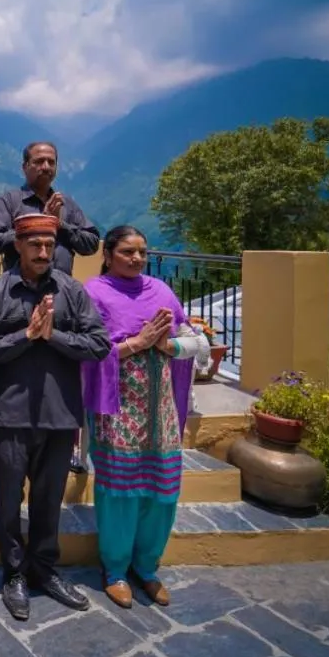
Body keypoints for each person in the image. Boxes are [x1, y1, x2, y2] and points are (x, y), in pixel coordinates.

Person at [0, 213, 111, 621]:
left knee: (48, 499)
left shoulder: (71, 290)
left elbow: (99, 343)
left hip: (59, 415)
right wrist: (26, 335)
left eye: (48, 245)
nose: (42, 252)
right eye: (34, 244)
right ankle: (14, 572)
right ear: (17, 245)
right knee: (7, 500)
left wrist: (53, 336)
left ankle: (45, 569)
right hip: (10, 414)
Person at [82, 225, 210, 610]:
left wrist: (166, 343)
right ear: (107, 254)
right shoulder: (95, 293)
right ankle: (116, 569)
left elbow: (197, 342)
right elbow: (85, 350)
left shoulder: (161, 291)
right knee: (119, 490)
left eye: (141, 251)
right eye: (127, 252)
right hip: (117, 406)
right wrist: (133, 344)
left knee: (163, 488)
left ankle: (147, 566)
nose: (136, 258)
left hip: (161, 410)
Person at [0, 140, 101, 474]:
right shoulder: (9, 201)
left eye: (51, 161)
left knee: (63, 369)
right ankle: (11, 440)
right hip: (18, 294)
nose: (46, 167)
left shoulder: (68, 204)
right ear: (25, 166)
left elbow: (92, 242)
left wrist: (57, 223)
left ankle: (64, 446)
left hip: (62, 294)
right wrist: (34, 226)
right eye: (38, 161)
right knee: (16, 364)